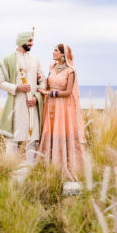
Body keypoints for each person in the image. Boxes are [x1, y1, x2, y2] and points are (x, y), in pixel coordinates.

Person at [0, 30, 47, 163]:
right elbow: (0, 83)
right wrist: (18, 88)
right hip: (16, 105)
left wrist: (36, 98)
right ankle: (10, 167)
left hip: (32, 105)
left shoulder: (35, 59)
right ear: (21, 41)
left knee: (32, 138)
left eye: (32, 41)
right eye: (29, 41)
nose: (32, 44)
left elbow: (43, 82)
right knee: (13, 139)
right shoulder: (7, 60)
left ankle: (30, 169)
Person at [38, 44, 86, 180]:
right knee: (50, 130)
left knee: (60, 130)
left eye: (56, 50)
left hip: (62, 105)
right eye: (53, 49)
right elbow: (47, 84)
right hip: (50, 104)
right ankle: (47, 163)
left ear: (63, 54)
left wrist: (50, 93)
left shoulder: (70, 71)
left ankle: (62, 164)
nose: (53, 52)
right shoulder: (51, 68)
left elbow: (68, 92)